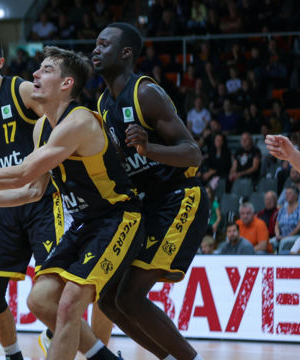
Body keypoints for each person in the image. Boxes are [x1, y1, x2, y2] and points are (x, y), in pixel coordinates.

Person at [0, 45, 144, 360]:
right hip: (84, 223)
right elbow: (31, 190)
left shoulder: (79, 122)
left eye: (47, 70)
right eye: (38, 69)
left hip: (117, 218)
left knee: (69, 304)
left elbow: (24, 172)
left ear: (67, 84)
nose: (36, 74)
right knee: (40, 301)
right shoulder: (42, 127)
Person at [0, 32, 108, 359]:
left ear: (0, 62)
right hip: (4, 205)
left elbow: (56, 121)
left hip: (42, 200)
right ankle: (14, 356)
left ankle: (63, 335)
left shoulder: (22, 89)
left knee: (53, 292)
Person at [93, 23, 208, 360]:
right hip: (147, 203)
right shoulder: (102, 104)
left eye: (104, 44)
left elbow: (193, 154)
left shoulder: (145, 93)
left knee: (128, 296)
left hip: (179, 197)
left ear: (125, 53)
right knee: (109, 298)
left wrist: (149, 149)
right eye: (95, 44)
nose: (95, 50)